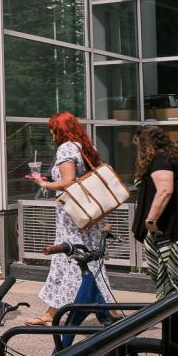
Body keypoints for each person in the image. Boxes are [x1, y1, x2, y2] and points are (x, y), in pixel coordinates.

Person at [24, 111, 116, 325]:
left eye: (52, 130)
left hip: (72, 217)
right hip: (89, 214)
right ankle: (109, 311)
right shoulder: (86, 147)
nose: (51, 135)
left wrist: (44, 183)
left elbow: (68, 181)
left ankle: (52, 314)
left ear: (60, 130)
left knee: (71, 259)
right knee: (89, 261)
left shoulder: (66, 148)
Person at [132, 125, 178, 326]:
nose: (137, 150)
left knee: (171, 265)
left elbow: (164, 191)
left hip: (168, 223)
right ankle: (172, 308)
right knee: (171, 265)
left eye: (138, 145)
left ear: (146, 144)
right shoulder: (171, 155)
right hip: (175, 220)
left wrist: (150, 220)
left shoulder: (160, 159)